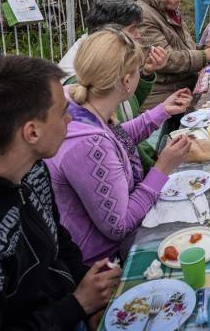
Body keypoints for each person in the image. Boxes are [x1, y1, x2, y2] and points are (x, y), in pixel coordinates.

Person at [0, 56, 122, 329]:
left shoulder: (32, 166)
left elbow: (57, 236)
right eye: (62, 112)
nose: (69, 119)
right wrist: (77, 305)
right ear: (32, 132)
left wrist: (90, 290)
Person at [46, 29, 193, 265]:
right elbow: (120, 225)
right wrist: (163, 168)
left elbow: (116, 138)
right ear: (126, 81)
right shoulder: (89, 146)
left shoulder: (75, 99)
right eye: (137, 73)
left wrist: (162, 111)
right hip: (103, 262)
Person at [60, 0, 169, 171]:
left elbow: (126, 110)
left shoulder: (105, 57)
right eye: (133, 29)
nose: (139, 36)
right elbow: (121, 142)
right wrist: (160, 168)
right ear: (112, 34)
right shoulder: (84, 76)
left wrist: (146, 72)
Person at [135, 0, 210, 110]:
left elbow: (181, 46)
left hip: (183, 81)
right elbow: (166, 59)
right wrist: (204, 55)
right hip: (162, 90)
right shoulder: (144, 16)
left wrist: (203, 48)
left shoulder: (168, 8)